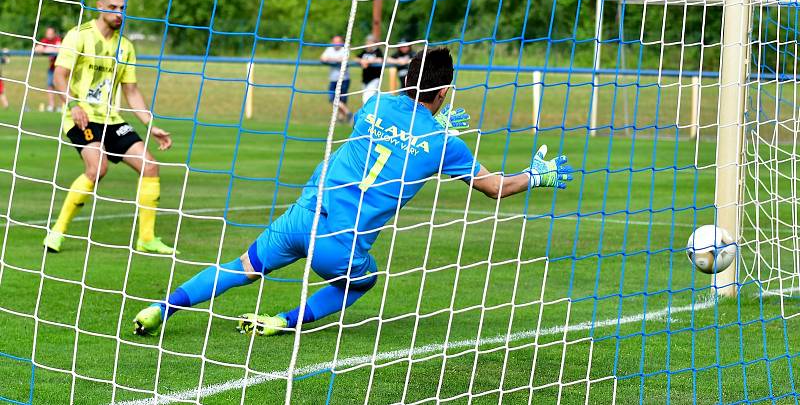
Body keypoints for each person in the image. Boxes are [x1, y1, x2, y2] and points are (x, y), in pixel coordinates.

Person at [132, 47, 573, 336]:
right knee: (363, 280)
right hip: (340, 245)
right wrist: (538, 176)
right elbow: (495, 188)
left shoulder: (374, 104)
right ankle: (282, 321)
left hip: (303, 215)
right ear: (443, 92)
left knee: (241, 266)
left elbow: (399, 129)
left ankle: (163, 307)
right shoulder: (444, 145)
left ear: (402, 81)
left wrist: (433, 120)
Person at [42, 0, 177, 255]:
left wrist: (151, 125)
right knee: (97, 168)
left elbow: (132, 91)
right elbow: (59, 76)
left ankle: (147, 239)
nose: (119, 14)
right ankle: (57, 231)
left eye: (123, 9)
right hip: (82, 118)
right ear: (100, 6)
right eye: (113, 8)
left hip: (111, 119)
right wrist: (73, 103)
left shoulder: (125, 47)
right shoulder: (78, 36)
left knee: (150, 166)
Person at [320, 35, 351, 123]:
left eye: (338, 42)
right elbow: (322, 58)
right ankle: (348, 113)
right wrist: (334, 59)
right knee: (332, 98)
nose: (336, 44)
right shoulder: (329, 49)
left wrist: (330, 59)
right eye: (335, 42)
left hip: (344, 79)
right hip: (333, 79)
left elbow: (343, 59)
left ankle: (341, 118)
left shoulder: (345, 49)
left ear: (341, 42)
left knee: (342, 100)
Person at [35, 27, 62, 112]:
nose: (49, 35)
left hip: (60, 68)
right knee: (50, 86)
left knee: (60, 87)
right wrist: (47, 49)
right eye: (48, 33)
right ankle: (51, 105)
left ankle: (61, 106)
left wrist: (49, 49)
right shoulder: (45, 40)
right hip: (51, 68)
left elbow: (59, 49)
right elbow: (37, 49)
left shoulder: (57, 39)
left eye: (50, 33)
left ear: (54, 34)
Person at [357, 34, 384, 103]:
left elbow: (381, 59)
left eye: (370, 42)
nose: (368, 43)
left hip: (374, 78)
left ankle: (367, 113)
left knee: (366, 98)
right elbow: (356, 58)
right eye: (367, 42)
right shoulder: (365, 51)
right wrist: (361, 61)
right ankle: (375, 113)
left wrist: (368, 61)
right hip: (365, 79)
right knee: (373, 99)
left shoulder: (377, 51)